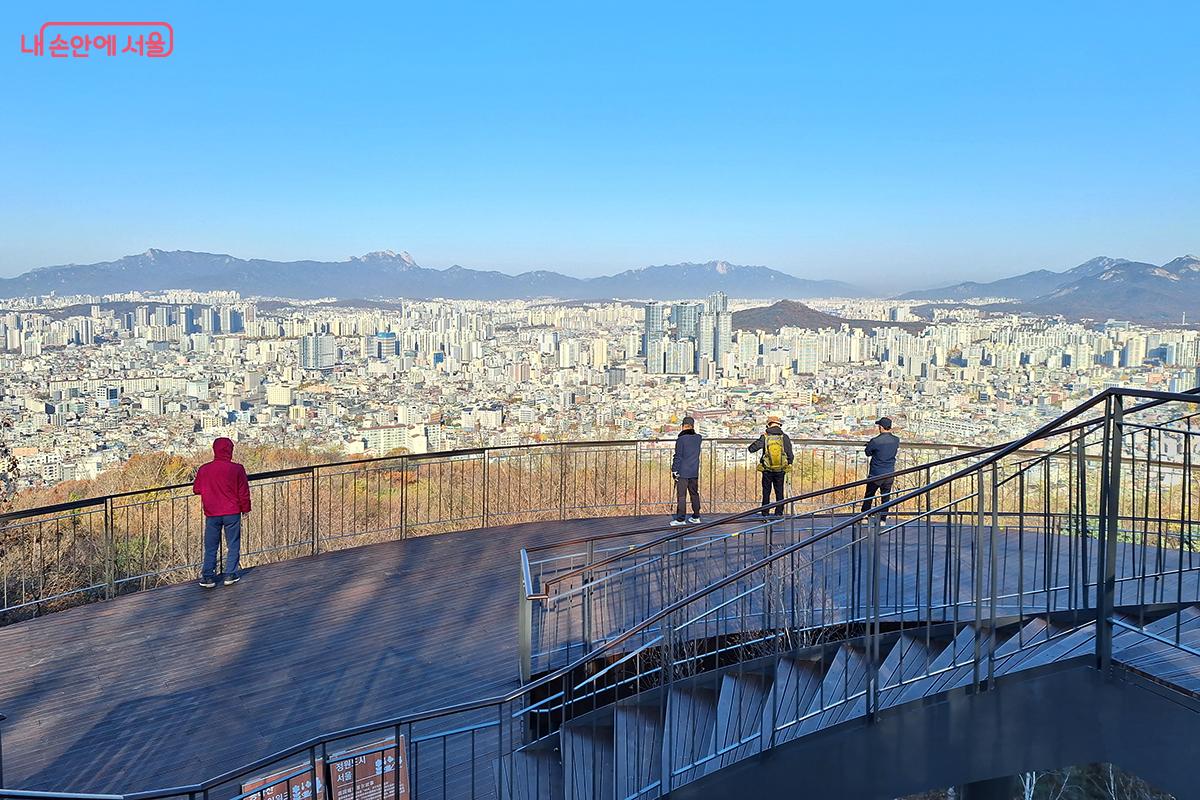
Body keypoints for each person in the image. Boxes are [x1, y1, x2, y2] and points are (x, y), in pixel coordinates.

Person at [193, 437, 251, 587]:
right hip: (232, 511)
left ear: (214, 450)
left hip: (212, 512)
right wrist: (245, 508)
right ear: (230, 451)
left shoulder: (204, 469)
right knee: (233, 543)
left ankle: (208, 576)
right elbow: (243, 492)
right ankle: (230, 574)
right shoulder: (237, 469)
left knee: (211, 545)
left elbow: (196, 489)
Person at [749, 415, 794, 516]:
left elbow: (752, 449)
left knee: (766, 491)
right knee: (779, 491)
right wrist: (789, 464)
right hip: (780, 469)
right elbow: (790, 454)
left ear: (768, 425)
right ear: (779, 425)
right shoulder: (784, 437)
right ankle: (779, 513)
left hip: (767, 469)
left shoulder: (765, 436)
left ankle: (765, 512)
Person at [861, 417, 900, 522]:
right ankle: (883, 519)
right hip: (889, 473)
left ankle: (865, 516)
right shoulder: (896, 440)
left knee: (869, 494)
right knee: (886, 496)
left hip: (876, 473)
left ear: (881, 427)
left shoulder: (875, 441)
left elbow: (867, 453)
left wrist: (871, 447)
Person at [670, 416, 703, 526]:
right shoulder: (699, 438)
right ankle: (696, 516)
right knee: (694, 494)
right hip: (694, 471)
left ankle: (681, 519)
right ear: (693, 426)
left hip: (683, 472)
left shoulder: (681, 440)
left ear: (683, 426)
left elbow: (678, 456)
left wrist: (674, 470)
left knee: (682, 496)